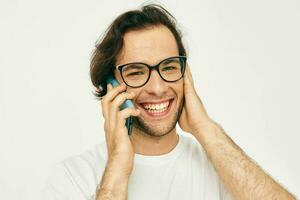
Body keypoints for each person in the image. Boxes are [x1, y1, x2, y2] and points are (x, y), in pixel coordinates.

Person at [42, 4, 296, 200]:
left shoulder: (223, 166)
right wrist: (118, 166)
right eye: (136, 72)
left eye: (169, 67)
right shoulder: (72, 176)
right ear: (111, 85)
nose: (158, 87)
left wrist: (204, 128)